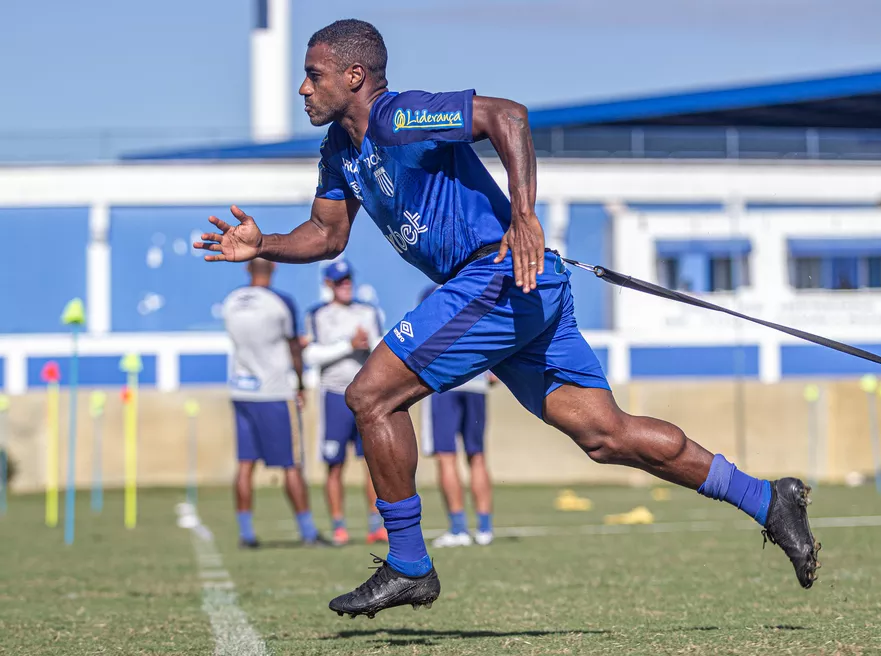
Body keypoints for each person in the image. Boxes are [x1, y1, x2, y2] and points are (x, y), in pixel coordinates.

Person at [195, 19, 820, 618]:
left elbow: (507, 115)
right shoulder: (340, 149)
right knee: (607, 435)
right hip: (516, 287)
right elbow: (328, 235)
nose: (303, 88)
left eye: (314, 74)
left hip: (499, 275)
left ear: (355, 76)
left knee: (371, 397)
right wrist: (264, 243)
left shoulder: (398, 115)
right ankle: (767, 498)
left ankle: (410, 563)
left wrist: (523, 215)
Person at [221, 258, 328, 548]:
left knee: (245, 465)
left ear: (247, 269)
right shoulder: (280, 302)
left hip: (242, 391)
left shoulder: (231, 302)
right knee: (291, 464)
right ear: (274, 268)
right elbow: (294, 347)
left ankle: (246, 534)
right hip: (275, 392)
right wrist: (302, 382)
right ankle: (307, 531)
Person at [304, 259, 387, 546]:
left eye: (348, 279)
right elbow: (311, 355)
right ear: (329, 284)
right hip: (334, 396)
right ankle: (339, 526)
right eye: (340, 281)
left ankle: (377, 524)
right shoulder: (318, 315)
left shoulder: (367, 311)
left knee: (373, 464)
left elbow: (381, 349)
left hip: (365, 398)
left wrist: (368, 343)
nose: (346, 285)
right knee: (334, 464)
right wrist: (347, 346)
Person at [417, 285, 495, 548]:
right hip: (477, 382)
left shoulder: (433, 293)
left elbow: (421, 334)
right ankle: (485, 529)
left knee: (446, 456)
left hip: (444, 381)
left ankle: (459, 529)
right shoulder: (478, 288)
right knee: (477, 456)